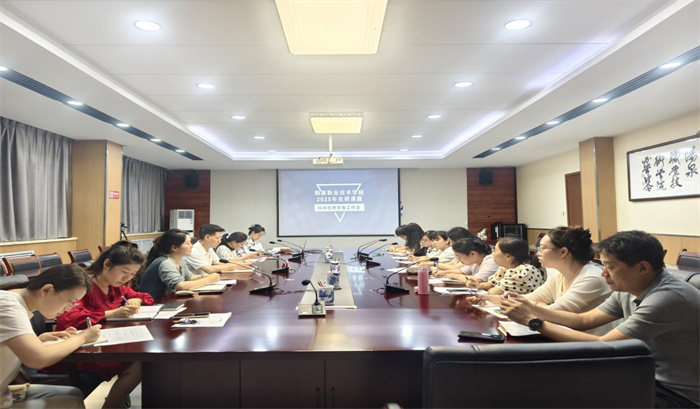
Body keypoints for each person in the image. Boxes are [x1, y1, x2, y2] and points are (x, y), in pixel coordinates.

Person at [501, 231, 699, 408]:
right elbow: (583, 320)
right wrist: (531, 309)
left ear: (642, 267)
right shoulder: (629, 288)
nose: (603, 273)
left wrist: (533, 321)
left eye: (610, 267)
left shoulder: (666, 298)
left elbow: (604, 345)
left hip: (678, 394)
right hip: (644, 374)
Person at [55, 241, 153, 408]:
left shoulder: (115, 286)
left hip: (103, 343)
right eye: (124, 272)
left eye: (133, 274)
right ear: (107, 264)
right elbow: (68, 319)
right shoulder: (83, 285)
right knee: (139, 364)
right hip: (80, 351)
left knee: (141, 361)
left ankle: (115, 403)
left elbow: (145, 297)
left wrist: (135, 300)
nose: (127, 278)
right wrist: (110, 314)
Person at [1, 265, 102, 409]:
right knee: (71, 402)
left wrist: (37, 340)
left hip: (4, 391)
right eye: (69, 301)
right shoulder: (8, 306)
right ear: (47, 290)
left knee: (74, 393)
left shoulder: (16, 303)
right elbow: (37, 358)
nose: (69, 308)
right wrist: (83, 337)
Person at [139, 229, 221, 299]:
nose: (191, 246)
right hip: (154, 304)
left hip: (168, 301)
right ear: (174, 248)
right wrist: (208, 280)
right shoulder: (166, 263)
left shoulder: (180, 259)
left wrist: (205, 277)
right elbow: (180, 286)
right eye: (188, 243)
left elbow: (189, 277)